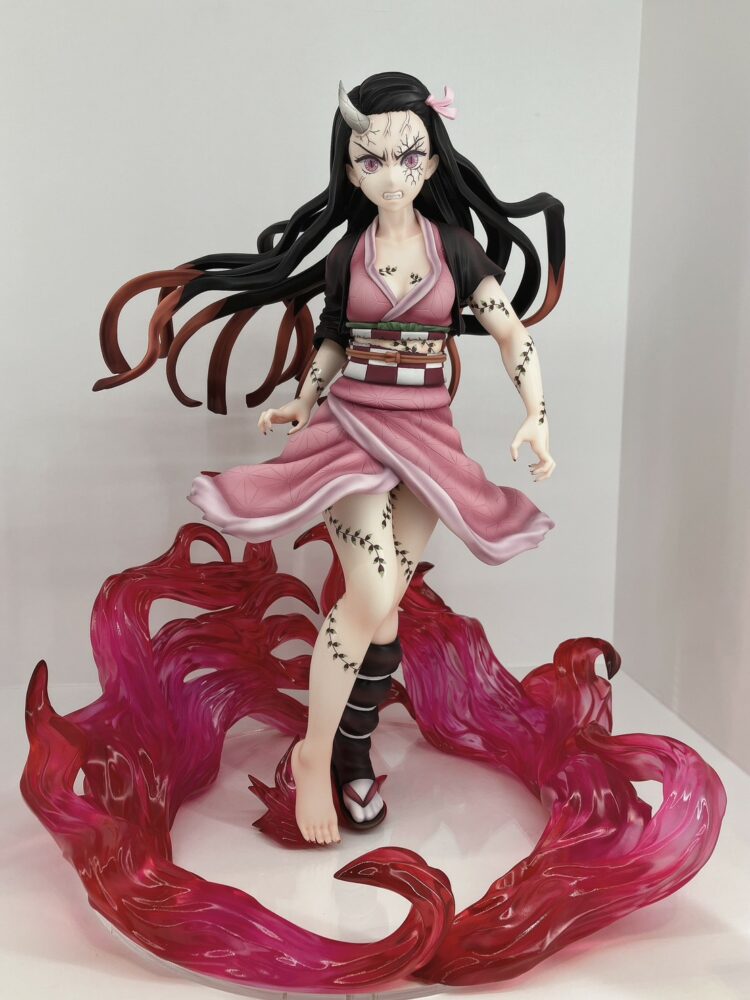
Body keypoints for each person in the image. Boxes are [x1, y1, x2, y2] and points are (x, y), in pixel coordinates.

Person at [95, 71, 565, 847]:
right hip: (353, 430)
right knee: (370, 591)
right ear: (351, 169)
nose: (391, 174)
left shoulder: (455, 249)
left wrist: (536, 415)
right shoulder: (351, 254)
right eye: (371, 160)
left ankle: (352, 752)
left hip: (428, 441)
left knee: (383, 610)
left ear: (432, 161)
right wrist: (304, 400)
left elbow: (512, 332)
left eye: (407, 157)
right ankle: (315, 754)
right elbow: (335, 340)